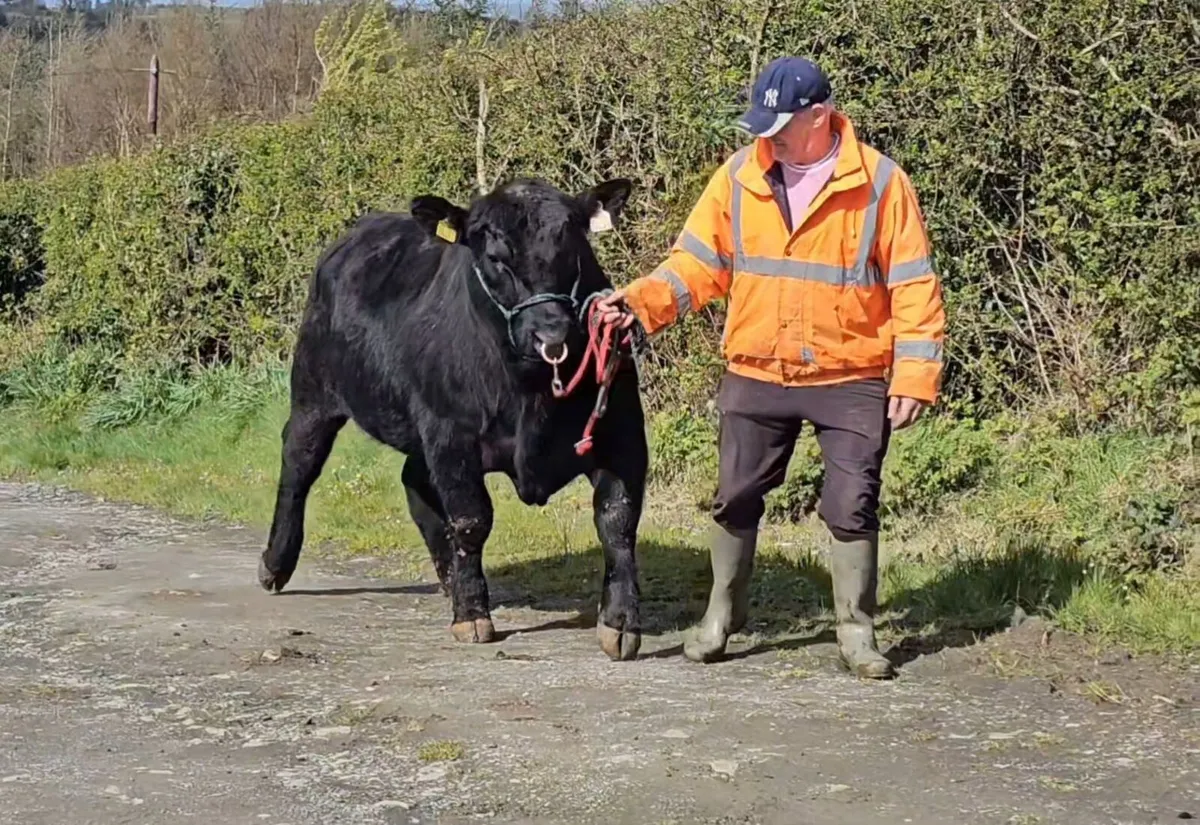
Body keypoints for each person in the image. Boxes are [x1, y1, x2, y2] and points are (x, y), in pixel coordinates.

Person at [595, 56, 946, 678]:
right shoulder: (737, 177)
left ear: (820, 115)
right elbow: (696, 266)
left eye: (780, 126)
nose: (768, 138)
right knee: (734, 496)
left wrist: (916, 375)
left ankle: (856, 633)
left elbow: (913, 286)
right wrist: (639, 302)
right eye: (760, 126)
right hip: (757, 370)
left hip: (851, 374)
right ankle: (720, 619)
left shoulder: (883, 184)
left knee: (852, 503)